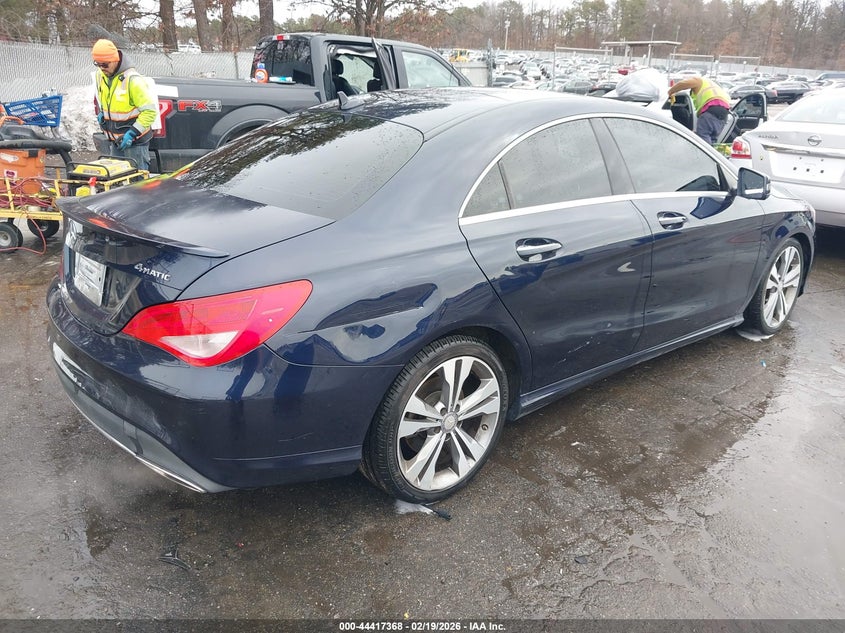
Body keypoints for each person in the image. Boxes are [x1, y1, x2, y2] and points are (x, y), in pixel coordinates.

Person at [91, 39, 157, 171]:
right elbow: (107, 100)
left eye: (105, 64)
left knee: (137, 183)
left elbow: (150, 112)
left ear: (114, 60)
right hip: (116, 142)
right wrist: (102, 113)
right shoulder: (101, 76)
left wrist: (132, 133)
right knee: (118, 181)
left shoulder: (133, 80)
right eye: (98, 64)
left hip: (135, 143)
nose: (102, 68)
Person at [667, 75, 732, 144]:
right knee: (712, 140)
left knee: (703, 138)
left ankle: (703, 154)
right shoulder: (715, 87)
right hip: (724, 115)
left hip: (710, 112)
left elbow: (683, 84)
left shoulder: (699, 81)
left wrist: (670, 92)